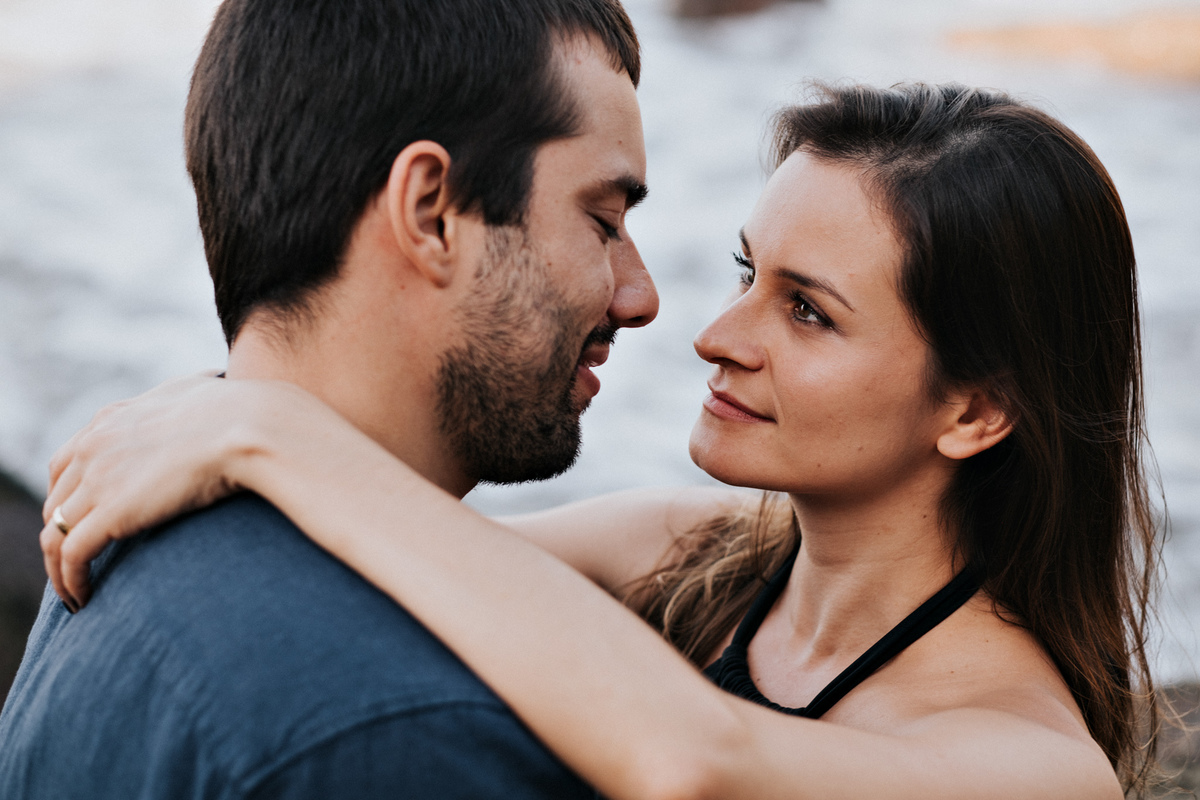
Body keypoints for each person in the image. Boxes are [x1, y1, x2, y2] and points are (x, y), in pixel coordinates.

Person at [32, 82, 1160, 799]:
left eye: (807, 311)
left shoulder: (1034, 764)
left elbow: (697, 763)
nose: (717, 335)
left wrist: (269, 425)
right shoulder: (686, 549)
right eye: (747, 273)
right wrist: (214, 419)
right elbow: (374, 561)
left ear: (974, 411)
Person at [0, 0, 659, 797]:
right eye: (603, 221)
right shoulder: (405, 733)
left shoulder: (114, 543)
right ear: (431, 212)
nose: (640, 296)